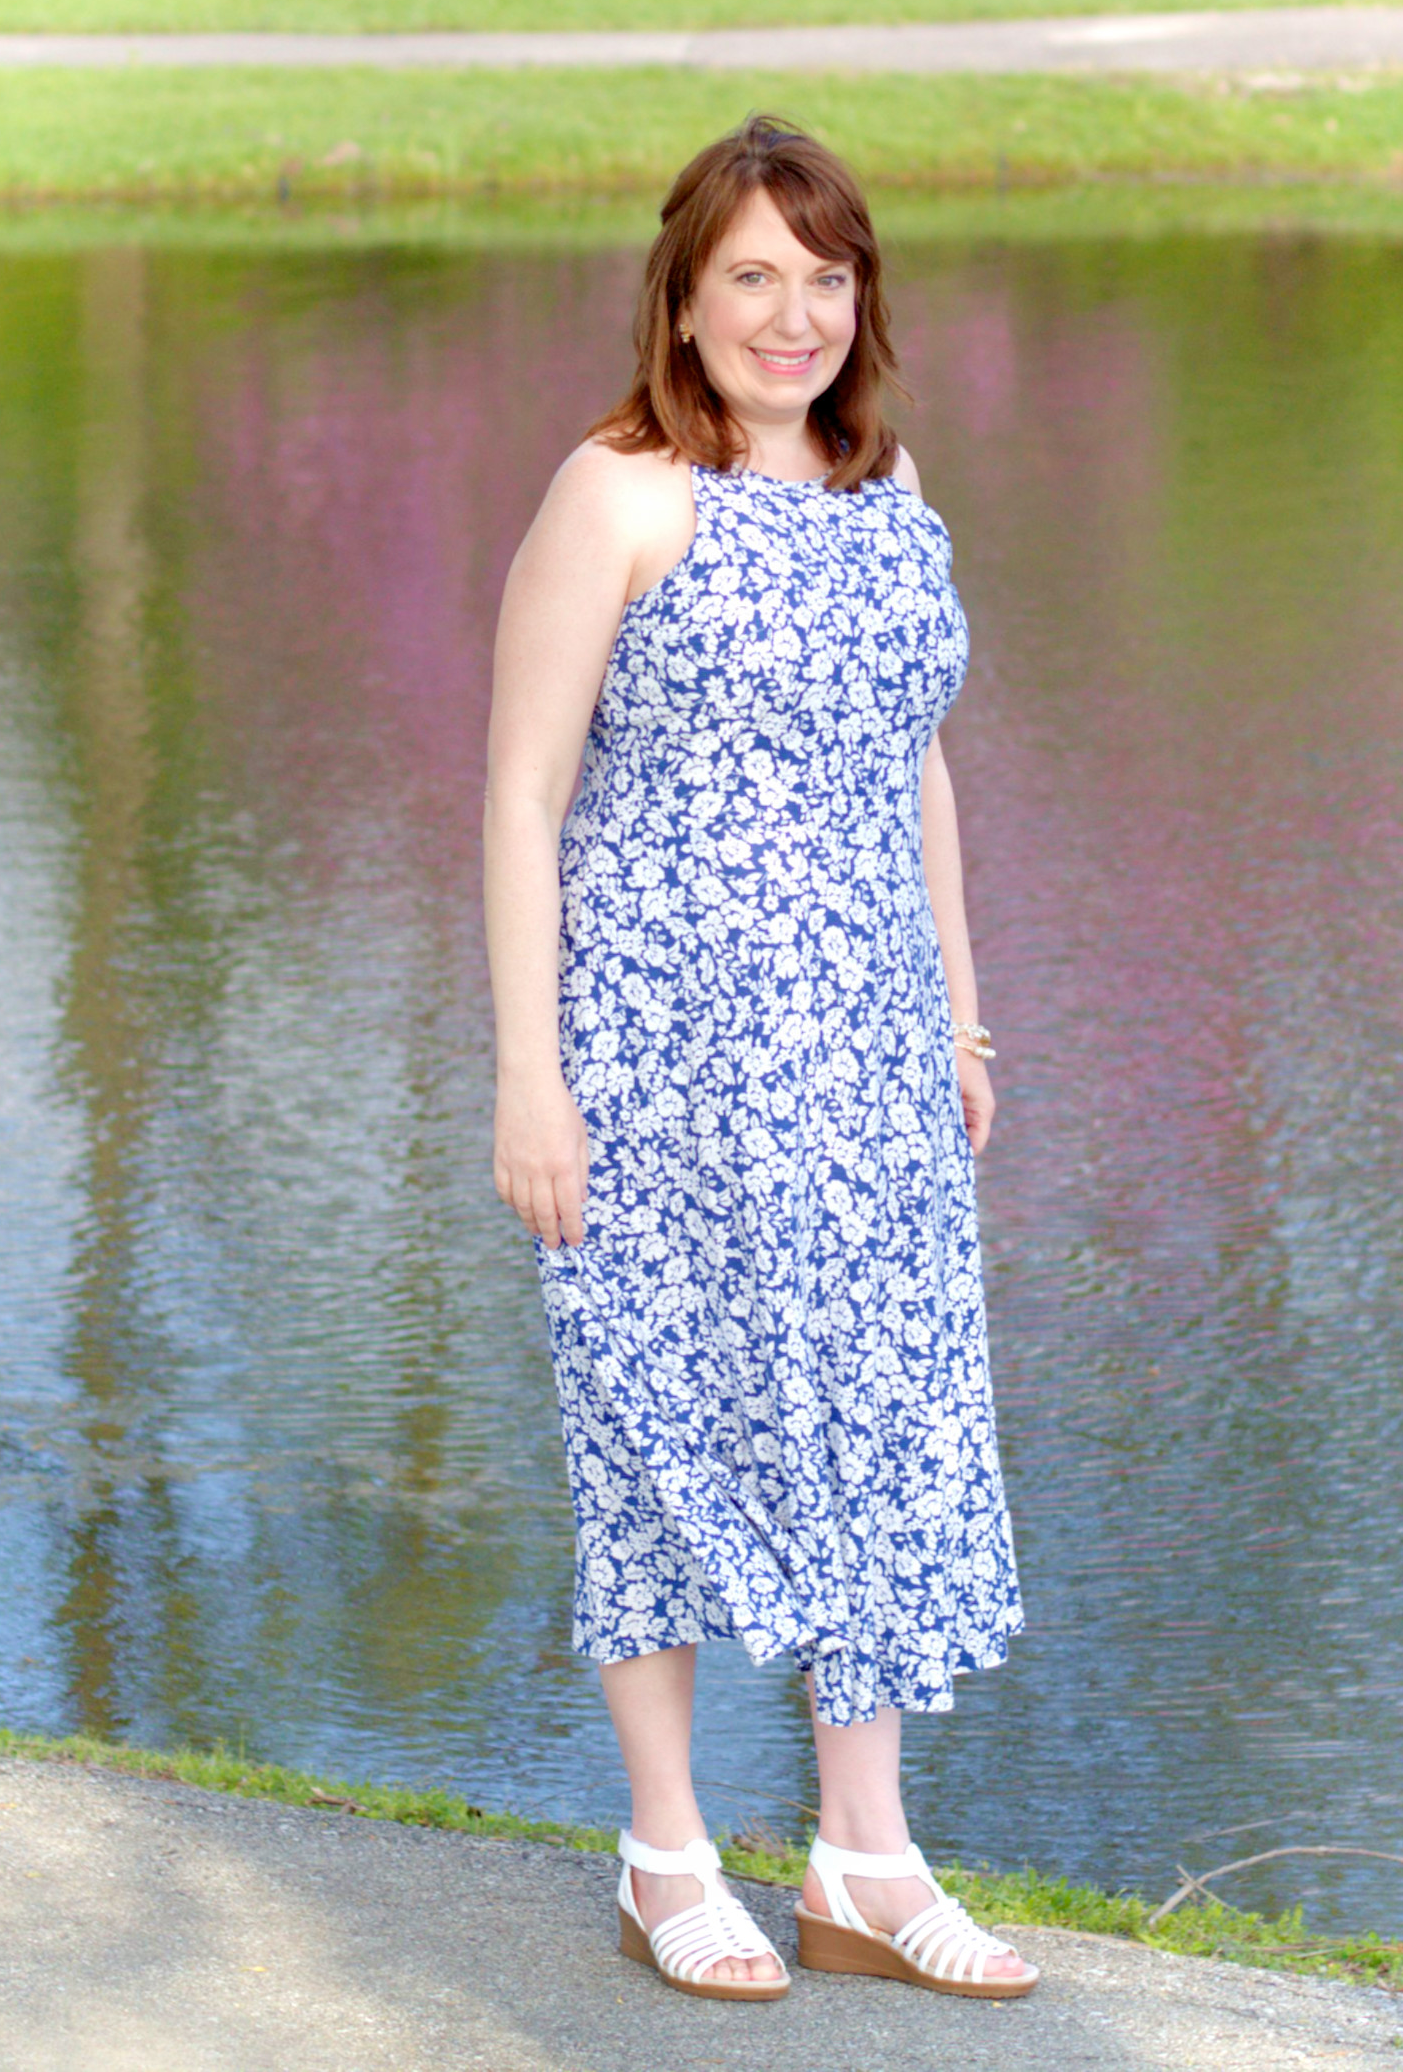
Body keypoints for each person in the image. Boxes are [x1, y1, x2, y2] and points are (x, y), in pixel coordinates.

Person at [483, 115, 1033, 2004]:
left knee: (880, 1420)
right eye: (751, 278)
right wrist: (527, 1074)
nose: (792, 315)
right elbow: (519, 790)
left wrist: (958, 1013)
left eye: (824, 274)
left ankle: (863, 1864)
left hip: (869, 1052)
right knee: (658, 1423)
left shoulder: (890, 490)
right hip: (658, 1051)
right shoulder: (621, 492)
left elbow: (918, 762)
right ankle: (663, 1854)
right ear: (683, 296)